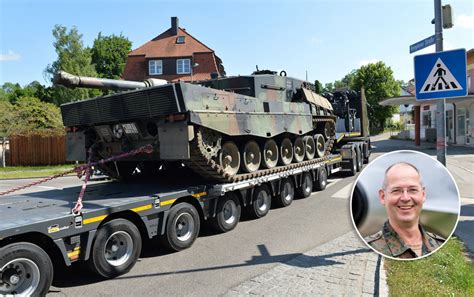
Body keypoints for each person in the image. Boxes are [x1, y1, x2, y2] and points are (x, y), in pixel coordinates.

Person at [364, 162, 445, 259]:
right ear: (383, 197)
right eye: (396, 190)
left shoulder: (440, 245)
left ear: (423, 195)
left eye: (413, 190)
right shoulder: (370, 248)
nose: (405, 198)